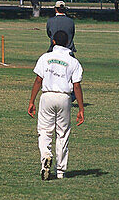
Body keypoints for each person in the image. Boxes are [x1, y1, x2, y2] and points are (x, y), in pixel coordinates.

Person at [28, 30, 85, 180]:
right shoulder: (73, 61)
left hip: (47, 96)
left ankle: (45, 157)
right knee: (62, 133)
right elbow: (77, 86)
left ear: (53, 41)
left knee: (45, 131)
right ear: (68, 43)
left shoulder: (45, 57)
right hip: (64, 98)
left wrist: (31, 101)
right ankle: (60, 171)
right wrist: (81, 108)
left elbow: (38, 81)